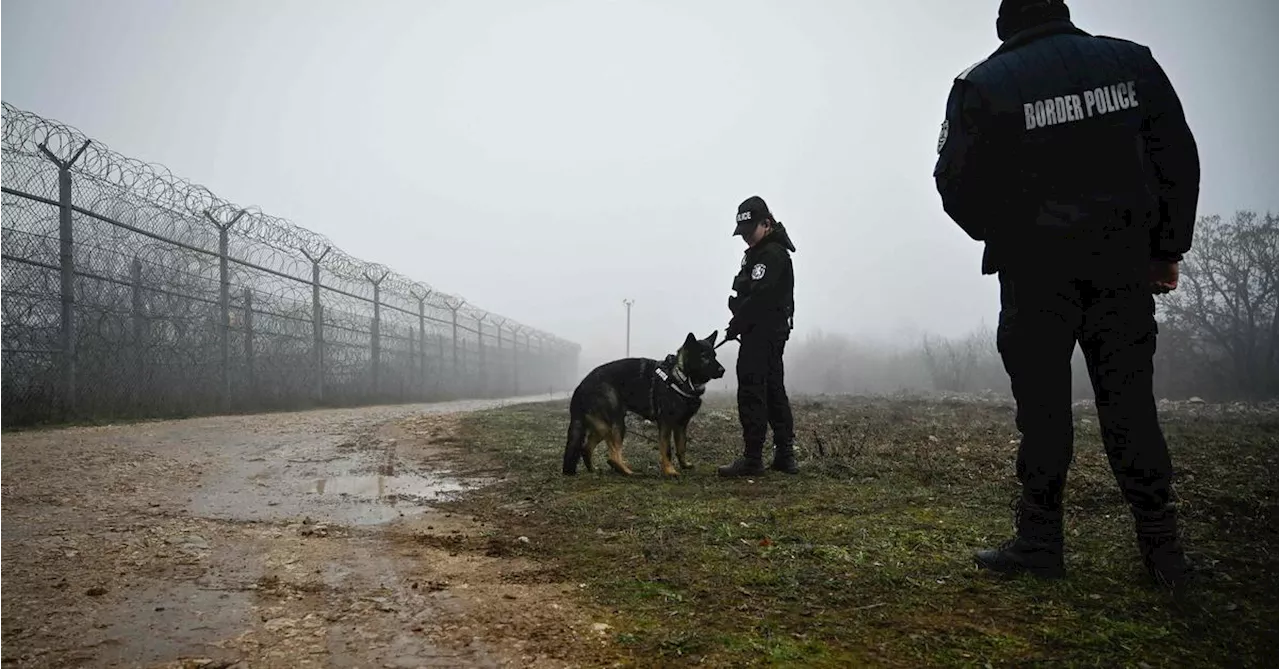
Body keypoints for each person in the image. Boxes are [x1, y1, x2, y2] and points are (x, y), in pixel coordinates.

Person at [932, 0, 1201, 590]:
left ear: (1007, 24)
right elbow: (1177, 156)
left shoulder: (983, 84)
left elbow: (954, 182)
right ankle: (1164, 551)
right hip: (1124, 266)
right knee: (1132, 406)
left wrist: (1006, 230)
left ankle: (1039, 543)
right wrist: (1166, 248)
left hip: (1035, 275)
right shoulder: (1131, 64)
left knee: (1044, 412)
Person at [718, 195, 799, 477]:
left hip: (762, 333)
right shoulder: (760, 252)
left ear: (766, 223)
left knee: (753, 390)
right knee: (773, 389)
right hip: (765, 331)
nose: (745, 238)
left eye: (749, 231)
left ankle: (754, 458)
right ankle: (784, 456)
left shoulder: (771, 255)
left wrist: (738, 322)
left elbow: (760, 298)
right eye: (742, 233)